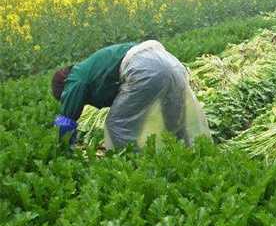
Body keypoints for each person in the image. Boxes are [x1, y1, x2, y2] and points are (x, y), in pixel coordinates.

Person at [51, 40, 210, 149]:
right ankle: (191, 152)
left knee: (117, 125)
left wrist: (64, 149)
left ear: (64, 87)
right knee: (174, 118)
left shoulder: (75, 80)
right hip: (170, 62)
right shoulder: (90, 68)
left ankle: (128, 165)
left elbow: (67, 120)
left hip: (144, 68)